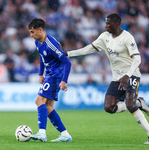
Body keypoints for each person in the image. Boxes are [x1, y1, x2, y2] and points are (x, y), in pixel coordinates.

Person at [65, 13, 149, 144]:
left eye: (108, 23)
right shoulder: (104, 37)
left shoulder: (127, 37)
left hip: (131, 74)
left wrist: (128, 75)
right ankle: (139, 103)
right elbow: (88, 49)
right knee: (109, 107)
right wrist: (69, 54)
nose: (105, 26)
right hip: (117, 77)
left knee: (130, 105)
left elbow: (137, 58)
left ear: (116, 24)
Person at [28, 18, 72, 142]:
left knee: (39, 100)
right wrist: (40, 74)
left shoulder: (51, 44)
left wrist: (64, 81)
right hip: (49, 74)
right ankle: (65, 135)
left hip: (56, 75)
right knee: (48, 107)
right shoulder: (38, 42)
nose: (31, 35)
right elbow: (43, 58)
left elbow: (67, 63)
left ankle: (42, 132)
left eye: (32, 32)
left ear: (40, 30)